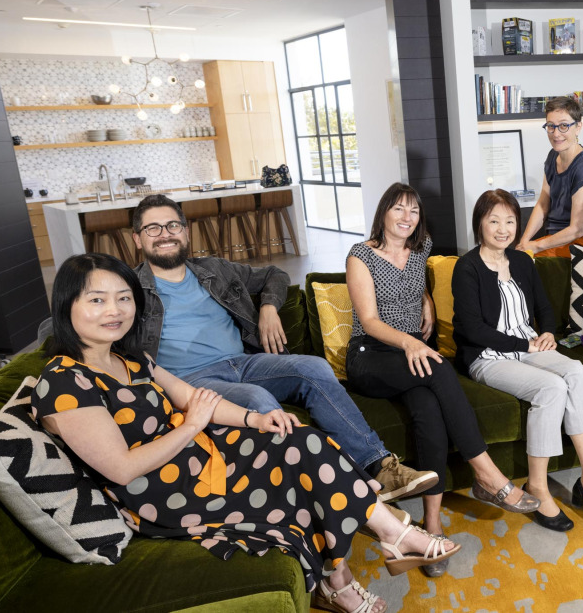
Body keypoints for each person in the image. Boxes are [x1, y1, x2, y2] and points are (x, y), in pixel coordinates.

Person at [33, 253, 461, 613]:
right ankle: (372, 554)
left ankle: (368, 554)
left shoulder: (132, 359)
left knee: (298, 438)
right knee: (294, 476)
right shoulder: (64, 381)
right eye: (98, 300)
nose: (115, 310)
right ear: (67, 305)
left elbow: (190, 398)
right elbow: (122, 469)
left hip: (194, 457)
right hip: (163, 490)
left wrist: (256, 420)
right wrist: (194, 426)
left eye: (123, 298)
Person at [129, 194, 436, 505]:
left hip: (244, 363)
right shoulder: (128, 289)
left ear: (186, 231)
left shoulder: (214, 269)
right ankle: (345, 489)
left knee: (313, 367)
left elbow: (276, 274)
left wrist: (268, 308)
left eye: (172, 225)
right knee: (257, 399)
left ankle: (378, 465)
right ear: (137, 238)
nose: (165, 234)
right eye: (153, 228)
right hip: (192, 380)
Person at [345, 183, 540, 576]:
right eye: (398, 209)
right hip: (371, 354)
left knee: (430, 410)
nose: (406, 218)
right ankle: (487, 473)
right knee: (438, 367)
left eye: (413, 211)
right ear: (384, 212)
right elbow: (368, 320)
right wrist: (412, 344)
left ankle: (431, 526)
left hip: (409, 353)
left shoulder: (421, 249)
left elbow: (414, 286)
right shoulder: (361, 255)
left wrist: (427, 302)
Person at [451, 190, 583, 532]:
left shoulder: (521, 260)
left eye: (510, 221)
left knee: (575, 370)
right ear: (479, 224)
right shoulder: (467, 267)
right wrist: (526, 344)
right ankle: (538, 486)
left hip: (528, 345)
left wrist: (547, 333)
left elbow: (544, 307)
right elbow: (473, 329)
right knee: (550, 388)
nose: (503, 229)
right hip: (488, 356)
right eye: (494, 221)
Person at [517, 96, 583, 258]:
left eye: (564, 126)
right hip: (557, 237)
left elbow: (577, 229)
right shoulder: (553, 155)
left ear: (578, 127)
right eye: (551, 126)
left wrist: (536, 246)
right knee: (517, 255)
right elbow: (542, 204)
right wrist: (524, 242)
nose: (556, 133)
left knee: (524, 265)